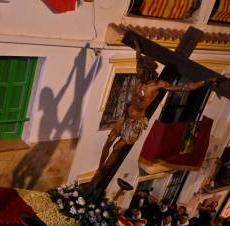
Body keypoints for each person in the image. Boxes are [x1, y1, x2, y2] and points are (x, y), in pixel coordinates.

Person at [91, 43, 217, 197]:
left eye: (140, 70)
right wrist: (137, 46)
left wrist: (204, 83)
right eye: (138, 69)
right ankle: (99, 169)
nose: (137, 71)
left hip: (135, 123)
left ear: (148, 71)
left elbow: (185, 88)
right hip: (124, 117)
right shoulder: (140, 81)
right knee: (108, 141)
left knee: (117, 148)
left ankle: (104, 174)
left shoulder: (157, 85)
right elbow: (138, 58)